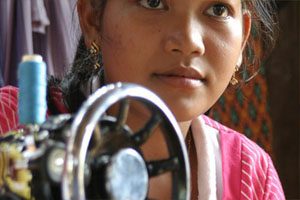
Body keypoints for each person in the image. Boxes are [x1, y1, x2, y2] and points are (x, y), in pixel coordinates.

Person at [0, 0, 285, 199]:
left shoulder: (251, 176)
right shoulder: (8, 125)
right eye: (153, 2)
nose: (188, 41)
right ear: (93, 19)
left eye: (218, 9)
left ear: (243, 37)